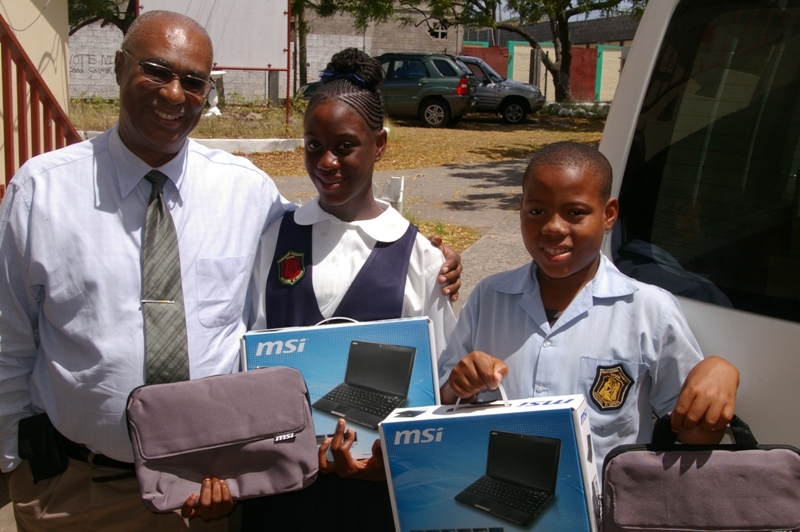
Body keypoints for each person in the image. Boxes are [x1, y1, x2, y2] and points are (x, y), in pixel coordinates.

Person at [0, 12, 461, 530]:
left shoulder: (247, 193)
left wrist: (419, 251)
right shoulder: (40, 193)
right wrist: (18, 464)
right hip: (78, 490)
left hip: (219, 488)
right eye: (156, 70)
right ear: (118, 67)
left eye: (194, 81)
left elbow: (335, 230)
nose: (175, 94)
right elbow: (11, 339)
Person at [243, 48, 457, 532]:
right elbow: (252, 343)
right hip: (284, 489)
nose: (327, 161)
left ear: (379, 144)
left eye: (345, 145)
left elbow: (438, 378)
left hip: (375, 491)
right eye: (313, 145)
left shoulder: (419, 255)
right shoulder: (276, 236)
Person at [438, 141, 740, 477]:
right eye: (536, 211)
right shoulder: (489, 297)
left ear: (608, 214)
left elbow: (692, 431)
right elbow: (441, 398)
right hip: (497, 502)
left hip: (602, 513)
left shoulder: (648, 311)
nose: (553, 227)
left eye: (575, 213)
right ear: (520, 207)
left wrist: (718, 372)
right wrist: (457, 385)